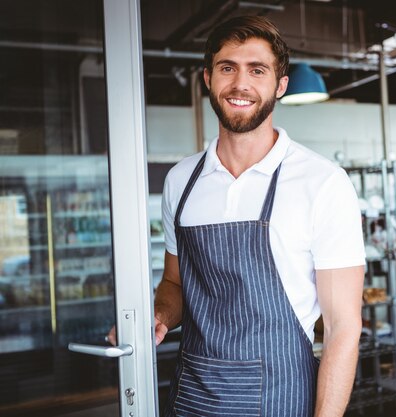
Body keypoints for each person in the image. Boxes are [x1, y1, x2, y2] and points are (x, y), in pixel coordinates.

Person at [110, 15, 365, 417]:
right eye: (228, 68)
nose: (240, 84)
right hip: (193, 397)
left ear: (280, 85)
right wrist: (158, 314)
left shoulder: (323, 182)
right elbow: (175, 282)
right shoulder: (182, 181)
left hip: (282, 399)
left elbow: (342, 329)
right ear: (208, 78)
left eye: (257, 70)